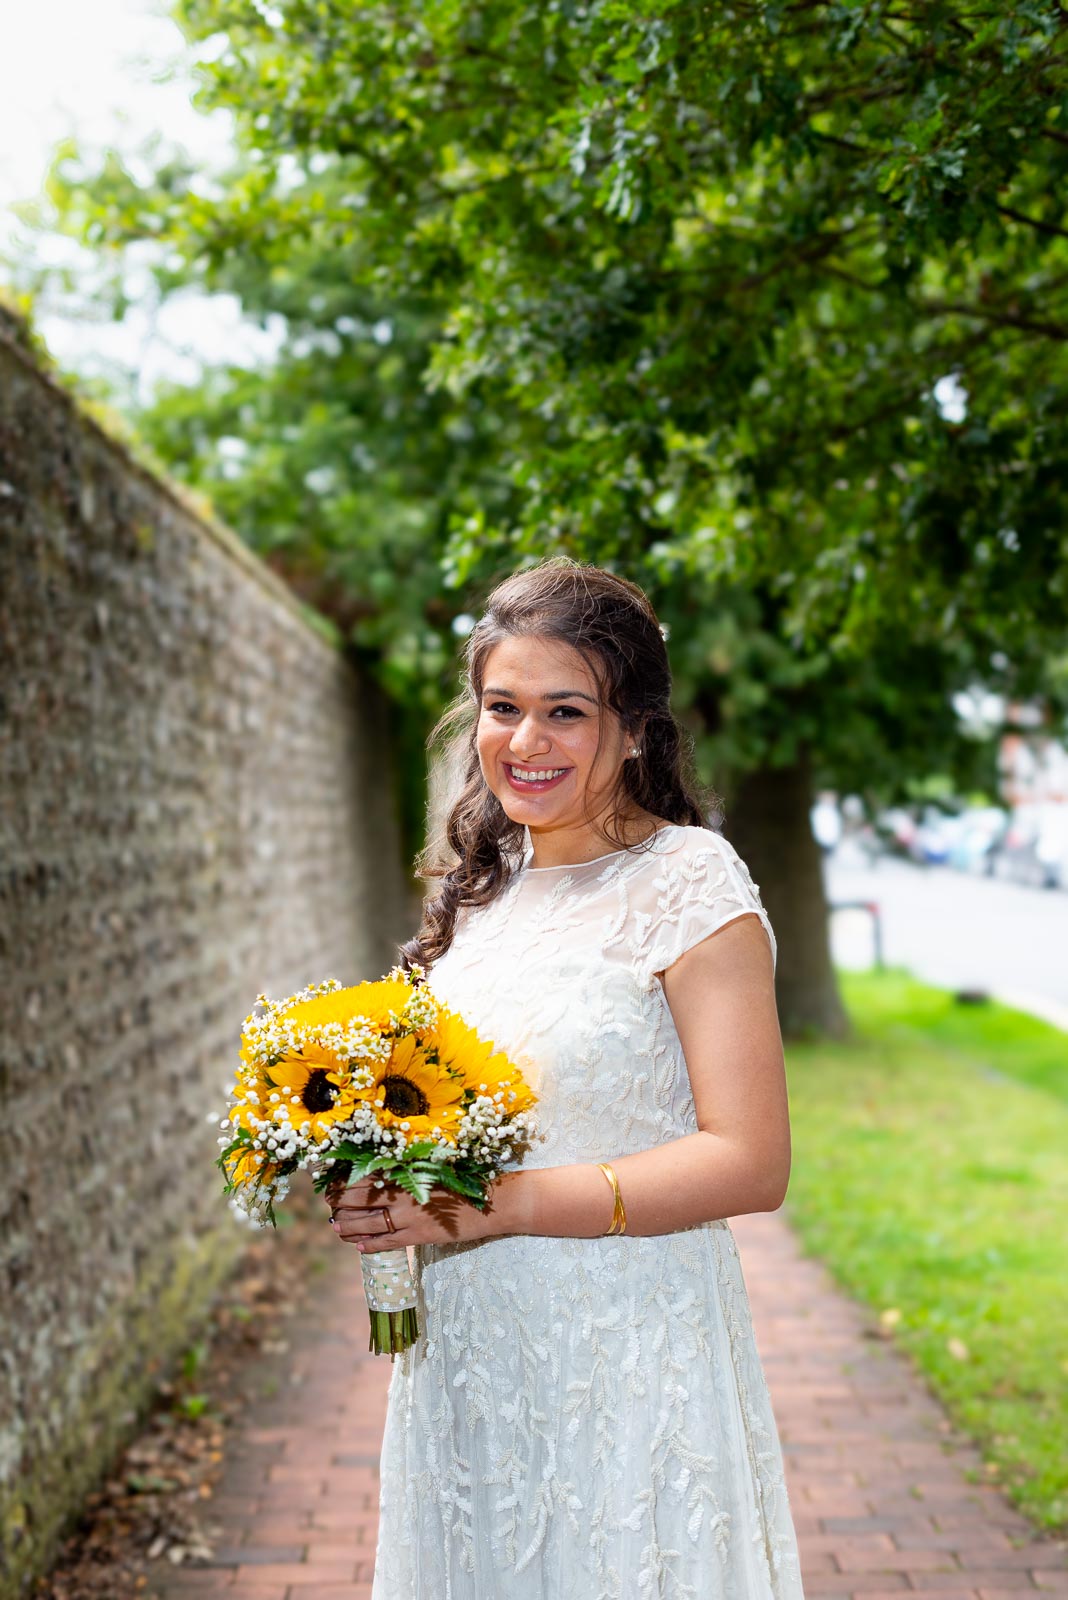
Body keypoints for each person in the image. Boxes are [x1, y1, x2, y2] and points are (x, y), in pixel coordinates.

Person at [326, 558, 805, 1598]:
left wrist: (497, 1205)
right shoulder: (480, 891)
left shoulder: (688, 882)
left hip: (627, 1358)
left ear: (634, 726)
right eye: (503, 707)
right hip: (469, 1367)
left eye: (565, 711)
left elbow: (752, 1159)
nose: (526, 742)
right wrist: (384, 1178)